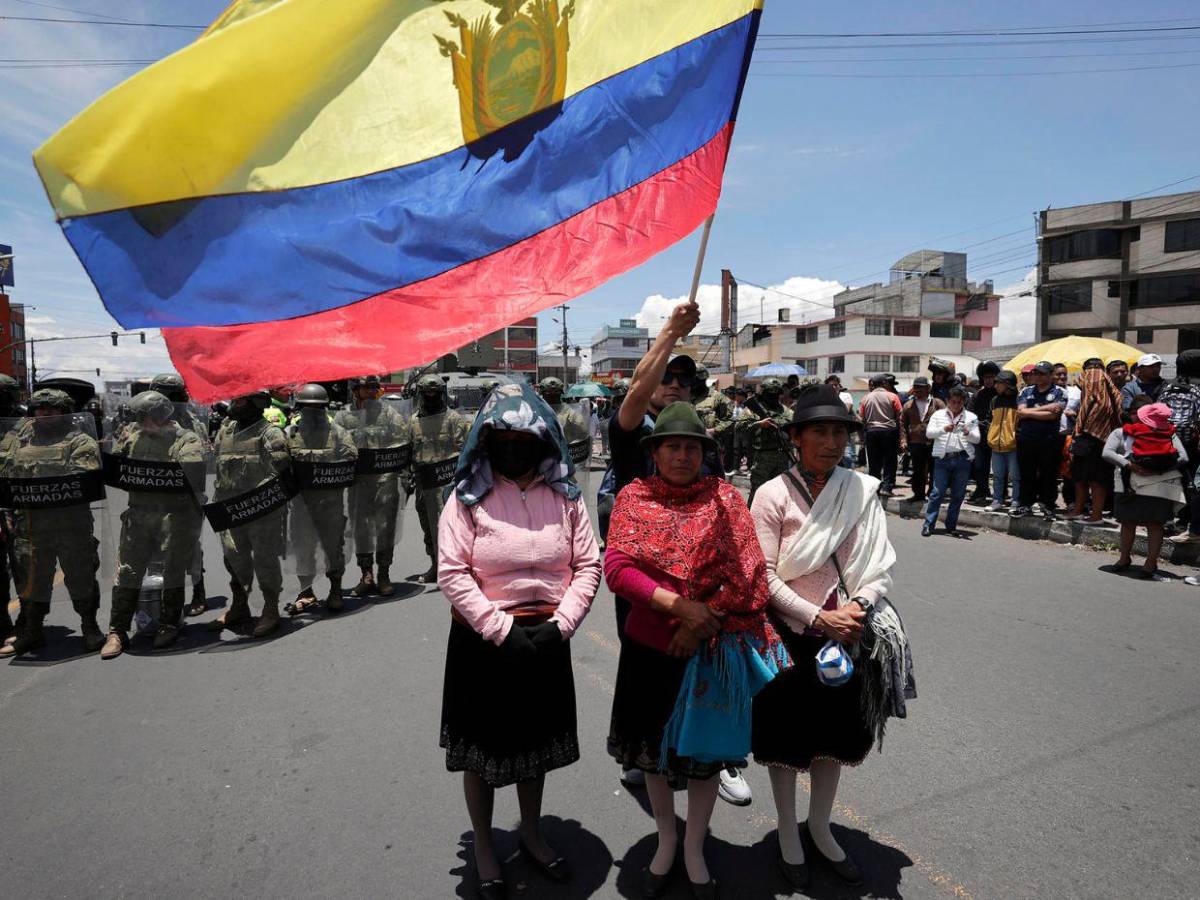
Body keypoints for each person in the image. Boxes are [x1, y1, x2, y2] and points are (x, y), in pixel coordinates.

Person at [605, 403, 789, 897]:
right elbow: (618, 570)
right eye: (673, 446)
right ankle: (667, 837)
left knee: (705, 758)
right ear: (655, 452)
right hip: (648, 648)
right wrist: (680, 608)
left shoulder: (726, 499)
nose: (683, 455)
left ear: (706, 453)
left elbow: (748, 573)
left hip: (710, 647)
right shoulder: (633, 497)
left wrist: (701, 621)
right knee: (652, 757)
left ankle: (693, 845)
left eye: (692, 447)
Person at [438, 384, 600, 900]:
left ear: (544, 441)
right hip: (485, 644)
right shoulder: (467, 498)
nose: (514, 448)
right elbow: (453, 573)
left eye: (525, 439)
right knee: (484, 755)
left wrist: (563, 626)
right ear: (486, 442)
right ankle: (485, 842)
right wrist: (501, 631)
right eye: (502, 439)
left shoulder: (566, 498)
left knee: (535, 748)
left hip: (549, 639)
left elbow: (588, 565)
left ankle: (531, 832)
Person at [751, 384, 911, 891]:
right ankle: (787, 829)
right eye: (818, 431)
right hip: (792, 636)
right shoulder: (771, 494)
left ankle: (819, 827)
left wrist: (856, 608)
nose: (830, 441)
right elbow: (764, 577)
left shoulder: (862, 490)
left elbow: (878, 564)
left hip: (849, 632)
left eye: (839, 431)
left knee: (832, 738)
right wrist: (818, 618)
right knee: (787, 739)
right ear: (796, 437)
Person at [604, 301, 749, 806]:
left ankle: (716, 760)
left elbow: (734, 541)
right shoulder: (634, 439)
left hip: (705, 598)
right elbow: (634, 396)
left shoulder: (703, 445)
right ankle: (646, 757)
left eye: (683, 382)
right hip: (647, 593)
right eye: (665, 379)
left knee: (706, 670)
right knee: (647, 670)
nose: (673, 387)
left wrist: (702, 609)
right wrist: (670, 332)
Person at [100, 391, 206, 659]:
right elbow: (116, 464)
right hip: (138, 514)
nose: (139, 424)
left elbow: (191, 471)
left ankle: (169, 623)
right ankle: (117, 631)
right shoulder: (134, 436)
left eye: (144, 418)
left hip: (173, 515)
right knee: (127, 571)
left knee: (172, 570)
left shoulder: (186, 439)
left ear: (160, 416)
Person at [0, 389, 105, 658]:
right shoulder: (14, 442)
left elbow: (85, 478)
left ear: (64, 412)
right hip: (30, 527)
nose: (45, 413)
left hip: (71, 525)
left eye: (52, 409)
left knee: (81, 577)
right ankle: (31, 632)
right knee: (30, 582)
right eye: (39, 409)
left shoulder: (80, 441)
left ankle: (90, 627)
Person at [210, 391, 291, 638]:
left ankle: (270, 608)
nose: (234, 404)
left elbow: (280, 473)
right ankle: (239, 605)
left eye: (240, 400)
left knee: (265, 559)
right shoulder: (226, 431)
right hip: (230, 510)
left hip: (261, 512)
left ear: (256, 404)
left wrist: (252, 499)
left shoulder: (271, 433)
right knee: (234, 557)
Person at [285, 384, 357, 614]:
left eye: (317, 408)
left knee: (333, 548)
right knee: (302, 547)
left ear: (324, 408)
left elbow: (352, 457)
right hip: (301, 504)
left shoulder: (338, 432)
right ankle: (306, 591)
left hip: (330, 504)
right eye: (307, 407)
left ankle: (335, 590)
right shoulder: (290, 433)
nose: (312, 412)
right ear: (299, 408)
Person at [335, 375, 410, 595]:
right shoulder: (343, 417)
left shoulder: (388, 413)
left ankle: (384, 573)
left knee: (385, 527)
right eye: (366, 388)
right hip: (358, 481)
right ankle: (366, 574)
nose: (371, 392)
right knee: (361, 529)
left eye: (374, 388)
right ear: (355, 390)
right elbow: (335, 444)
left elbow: (402, 440)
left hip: (385, 479)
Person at [149, 372, 212, 618]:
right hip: (154, 493)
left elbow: (201, 457)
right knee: (154, 547)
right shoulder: (145, 419)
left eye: (170, 395)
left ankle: (198, 591)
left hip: (187, 494)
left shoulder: (193, 422)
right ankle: (160, 596)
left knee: (190, 546)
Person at [1104, 398, 1187, 580]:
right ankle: (1140, 562)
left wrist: (1131, 466)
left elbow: (1107, 453)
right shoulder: (1169, 434)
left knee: (1138, 523)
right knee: (1143, 523)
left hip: (1130, 485)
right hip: (1152, 485)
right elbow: (1182, 458)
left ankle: (1135, 561)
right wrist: (1157, 470)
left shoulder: (1123, 431)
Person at [409, 374, 470, 584]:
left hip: (449, 483)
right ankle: (436, 564)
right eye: (427, 393)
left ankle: (458, 567)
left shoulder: (453, 419)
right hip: (424, 483)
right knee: (428, 526)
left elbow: (466, 451)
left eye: (435, 392)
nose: (431, 396)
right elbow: (409, 451)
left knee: (454, 527)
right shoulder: (414, 421)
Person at [921, 387, 981, 537]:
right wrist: (944, 429)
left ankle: (951, 526)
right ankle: (928, 525)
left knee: (958, 494)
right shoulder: (938, 415)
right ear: (948, 401)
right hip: (942, 458)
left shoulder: (971, 417)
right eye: (953, 402)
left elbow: (977, 439)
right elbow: (929, 434)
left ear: (964, 402)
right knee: (937, 493)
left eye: (959, 403)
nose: (956, 405)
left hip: (962, 459)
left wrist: (967, 432)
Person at [1067, 364, 1121, 524]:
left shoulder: (1104, 403)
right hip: (1087, 440)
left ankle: (1096, 515)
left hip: (1098, 442)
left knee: (1096, 479)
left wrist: (1080, 426)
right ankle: (1078, 510)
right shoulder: (1107, 398)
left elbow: (1092, 420)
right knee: (1080, 477)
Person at [1014, 362, 1067, 518]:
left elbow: (1054, 414)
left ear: (1051, 375)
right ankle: (1025, 505)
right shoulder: (1026, 390)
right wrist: (1045, 408)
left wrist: (1029, 412)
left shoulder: (1059, 391)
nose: (1037, 376)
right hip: (1027, 438)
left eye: (1042, 373)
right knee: (1027, 474)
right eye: (1036, 373)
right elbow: (1020, 412)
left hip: (1049, 440)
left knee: (1049, 474)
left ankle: (1048, 506)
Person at [1161, 350, 1200, 544]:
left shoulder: (1168, 387)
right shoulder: (1197, 388)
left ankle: (1168, 520)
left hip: (1167, 441)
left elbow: (1159, 411)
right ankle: (1187, 522)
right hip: (1192, 444)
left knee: (1170, 480)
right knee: (1191, 484)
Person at [737, 378, 794, 506]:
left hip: (782, 456)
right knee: (758, 492)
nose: (772, 397)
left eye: (775, 394)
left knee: (780, 493)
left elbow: (794, 431)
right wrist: (759, 424)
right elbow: (738, 428)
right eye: (769, 394)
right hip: (761, 458)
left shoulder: (787, 412)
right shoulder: (752, 410)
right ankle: (750, 522)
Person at [899, 377, 944, 503]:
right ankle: (918, 494)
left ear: (928, 388)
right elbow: (902, 424)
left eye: (920, 387)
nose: (917, 390)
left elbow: (946, 419)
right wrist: (903, 440)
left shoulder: (938, 403)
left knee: (934, 469)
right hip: (916, 442)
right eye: (915, 387)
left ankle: (933, 494)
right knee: (918, 471)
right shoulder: (908, 405)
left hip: (935, 442)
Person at [858, 376, 902, 496]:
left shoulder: (865, 398)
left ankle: (875, 488)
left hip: (872, 432)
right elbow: (900, 416)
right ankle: (887, 487)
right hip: (889, 432)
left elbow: (861, 418)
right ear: (884, 383)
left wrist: (862, 436)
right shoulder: (892, 396)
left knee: (874, 462)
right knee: (890, 460)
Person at [987, 370, 1021, 512]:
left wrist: (1015, 436)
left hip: (1013, 446)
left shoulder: (1019, 400)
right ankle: (997, 500)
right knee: (998, 475)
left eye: (998, 383)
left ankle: (1016, 501)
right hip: (996, 445)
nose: (995, 386)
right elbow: (990, 420)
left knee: (1015, 476)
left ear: (1008, 384)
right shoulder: (995, 400)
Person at [692, 365, 735, 474]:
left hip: (710, 450)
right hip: (688, 448)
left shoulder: (718, 398)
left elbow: (731, 421)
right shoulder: (684, 397)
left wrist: (713, 431)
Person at [967, 363, 999, 503]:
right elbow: (969, 415)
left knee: (999, 469)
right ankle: (981, 490)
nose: (988, 380)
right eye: (986, 377)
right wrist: (978, 424)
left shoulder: (1001, 395)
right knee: (980, 466)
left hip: (999, 437)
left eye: (991, 377)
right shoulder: (977, 395)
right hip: (980, 437)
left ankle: (1000, 494)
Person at [539, 377, 590, 462]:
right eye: (549, 395)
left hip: (563, 459)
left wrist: (573, 443)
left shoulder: (570, 412)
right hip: (541, 459)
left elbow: (583, 432)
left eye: (555, 395)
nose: (552, 398)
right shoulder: (535, 411)